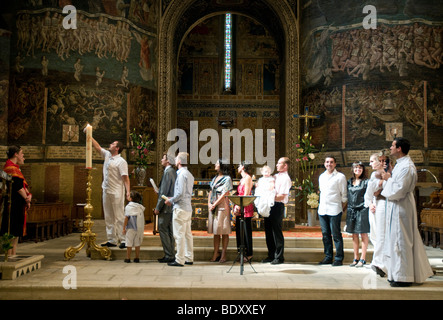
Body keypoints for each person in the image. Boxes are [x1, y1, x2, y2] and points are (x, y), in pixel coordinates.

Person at [381, 137, 433, 287]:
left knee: (401, 241)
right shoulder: (400, 164)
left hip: (401, 207)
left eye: (392, 146)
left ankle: (403, 277)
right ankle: (395, 273)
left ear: (399, 149)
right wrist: (389, 178)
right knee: (395, 240)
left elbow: (398, 190)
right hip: (397, 207)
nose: (390, 148)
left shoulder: (407, 167)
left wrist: (388, 178)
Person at [91, 138, 130, 248]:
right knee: (108, 217)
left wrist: (128, 192)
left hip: (117, 191)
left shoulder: (121, 162)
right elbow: (98, 147)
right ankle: (112, 239)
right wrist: (90, 136)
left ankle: (123, 239)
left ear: (117, 148)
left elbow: (125, 178)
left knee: (119, 216)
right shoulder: (107, 155)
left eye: (113, 144)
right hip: (106, 190)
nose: (110, 144)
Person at [0, 146, 32, 256]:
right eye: (22, 153)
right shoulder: (11, 168)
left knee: (16, 232)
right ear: (15, 154)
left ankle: (13, 254)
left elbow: (23, 185)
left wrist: (29, 196)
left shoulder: (15, 168)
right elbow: (18, 187)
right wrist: (26, 198)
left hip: (18, 203)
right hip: (12, 203)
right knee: (12, 231)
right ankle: (9, 256)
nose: (23, 156)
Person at [165, 152, 194, 267]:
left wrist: (170, 200)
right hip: (187, 207)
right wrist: (172, 198)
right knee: (187, 234)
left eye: (176, 158)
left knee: (179, 234)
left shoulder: (181, 174)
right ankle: (189, 257)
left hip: (181, 208)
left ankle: (179, 259)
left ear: (179, 162)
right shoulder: (189, 174)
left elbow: (180, 193)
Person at [318, 155, 347, 266]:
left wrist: (342, 208)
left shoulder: (340, 177)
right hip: (322, 209)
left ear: (335, 164)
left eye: (331, 162)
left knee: (336, 234)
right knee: (325, 234)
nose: (329, 164)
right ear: (324, 164)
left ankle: (339, 258)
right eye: (327, 162)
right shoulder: (321, 176)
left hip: (334, 209)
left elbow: (344, 195)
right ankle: (328, 257)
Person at [262, 157, 291, 265]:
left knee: (276, 232)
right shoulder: (275, 176)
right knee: (268, 231)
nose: (277, 165)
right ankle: (271, 255)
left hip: (277, 206)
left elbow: (281, 196)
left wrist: (268, 196)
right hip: (270, 205)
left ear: (285, 166)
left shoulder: (285, 178)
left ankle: (279, 257)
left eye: (279, 163)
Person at [364, 152, 388, 277]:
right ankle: (377, 261)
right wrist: (370, 203)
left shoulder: (387, 173)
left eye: (372, 161)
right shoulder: (374, 175)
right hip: (374, 206)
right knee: (375, 234)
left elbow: (380, 191)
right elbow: (371, 193)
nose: (370, 164)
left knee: (381, 235)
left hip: (383, 206)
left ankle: (379, 262)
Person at [207, 159, 233, 263]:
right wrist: (209, 203)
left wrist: (215, 204)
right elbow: (210, 191)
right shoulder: (214, 178)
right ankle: (216, 252)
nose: (215, 164)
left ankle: (223, 254)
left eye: (217, 163)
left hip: (222, 204)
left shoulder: (227, 179)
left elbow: (225, 193)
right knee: (216, 231)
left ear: (222, 165)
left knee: (224, 230)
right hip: (213, 204)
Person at [154, 152, 177, 263]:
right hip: (170, 206)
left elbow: (164, 191)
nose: (161, 160)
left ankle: (169, 254)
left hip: (166, 206)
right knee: (169, 231)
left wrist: (158, 207)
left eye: (163, 158)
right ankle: (171, 253)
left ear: (168, 161)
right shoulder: (173, 172)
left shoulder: (168, 172)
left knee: (163, 229)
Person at [346, 161, 370, 268]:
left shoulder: (366, 182)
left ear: (363, 170)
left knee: (363, 234)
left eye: (360, 168)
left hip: (362, 209)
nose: (358, 170)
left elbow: (369, 195)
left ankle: (363, 258)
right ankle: (355, 257)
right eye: (356, 168)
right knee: (354, 234)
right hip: (351, 210)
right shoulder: (349, 181)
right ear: (353, 169)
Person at [233, 161, 254, 262]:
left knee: (246, 231)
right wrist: (235, 206)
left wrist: (238, 205)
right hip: (239, 206)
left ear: (243, 167)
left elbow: (245, 194)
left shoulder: (248, 178)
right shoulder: (242, 179)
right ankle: (241, 253)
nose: (238, 167)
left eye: (239, 165)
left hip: (245, 206)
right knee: (239, 231)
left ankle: (248, 254)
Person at [123, 190, 145, 263]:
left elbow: (126, 218)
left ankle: (128, 257)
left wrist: (123, 228)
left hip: (130, 228)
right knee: (137, 243)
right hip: (138, 228)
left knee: (129, 243)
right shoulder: (140, 207)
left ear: (131, 198)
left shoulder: (129, 207)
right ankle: (137, 257)